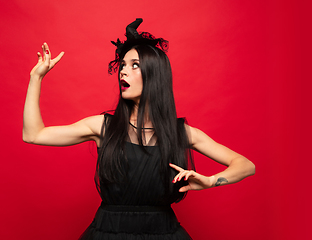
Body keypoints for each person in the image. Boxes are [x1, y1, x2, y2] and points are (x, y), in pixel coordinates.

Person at [23, 18, 255, 239]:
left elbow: (246, 165)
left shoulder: (180, 133)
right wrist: (36, 78)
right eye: (122, 65)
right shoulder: (102, 126)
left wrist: (212, 181)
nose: (123, 71)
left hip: (163, 232)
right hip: (108, 232)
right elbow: (33, 135)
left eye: (135, 66)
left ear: (154, 77)